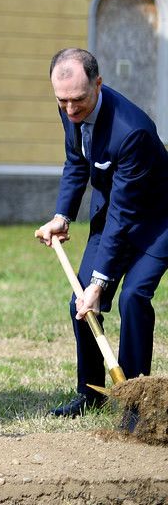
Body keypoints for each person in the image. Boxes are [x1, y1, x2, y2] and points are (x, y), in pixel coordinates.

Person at [35, 48, 168, 422]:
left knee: (132, 298)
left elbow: (124, 216)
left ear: (98, 83)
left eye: (78, 100)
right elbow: (76, 161)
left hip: (157, 221)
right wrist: (63, 215)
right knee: (79, 304)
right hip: (114, 213)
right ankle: (91, 392)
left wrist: (100, 280)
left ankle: (134, 402)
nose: (70, 110)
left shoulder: (133, 131)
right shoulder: (69, 107)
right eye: (62, 101)